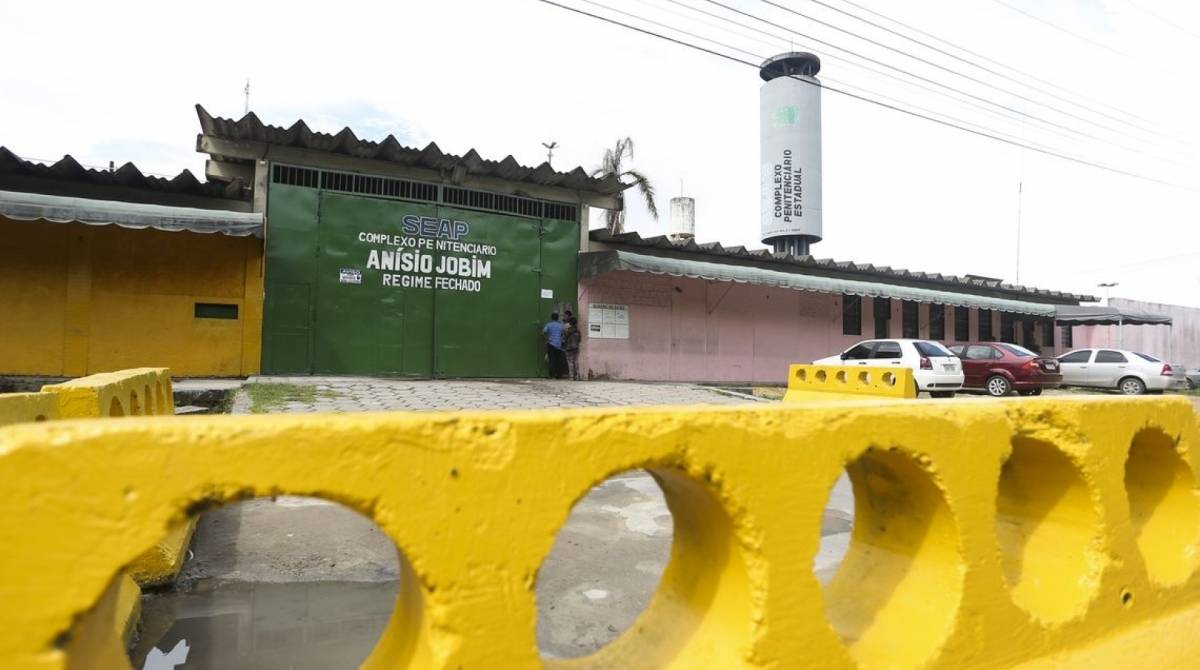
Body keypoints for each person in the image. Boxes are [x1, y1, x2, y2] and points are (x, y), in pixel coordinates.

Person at [542, 312, 567, 379]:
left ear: (551, 318)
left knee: (552, 360)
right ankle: (559, 375)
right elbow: (564, 333)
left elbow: (544, 332)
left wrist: (547, 338)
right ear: (557, 318)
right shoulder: (560, 325)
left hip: (551, 344)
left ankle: (551, 375)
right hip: (559, 344)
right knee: (559, 360)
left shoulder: (548, 325)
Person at [563, 316, 582, 381]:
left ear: (570, 323)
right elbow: (579, 340)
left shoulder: (568, 331)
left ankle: (571, 376)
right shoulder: (578, 331)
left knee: (570, 362)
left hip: (569, 348)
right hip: (576, 347)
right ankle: (577, 376)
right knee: (576, 361)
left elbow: (565, 338)